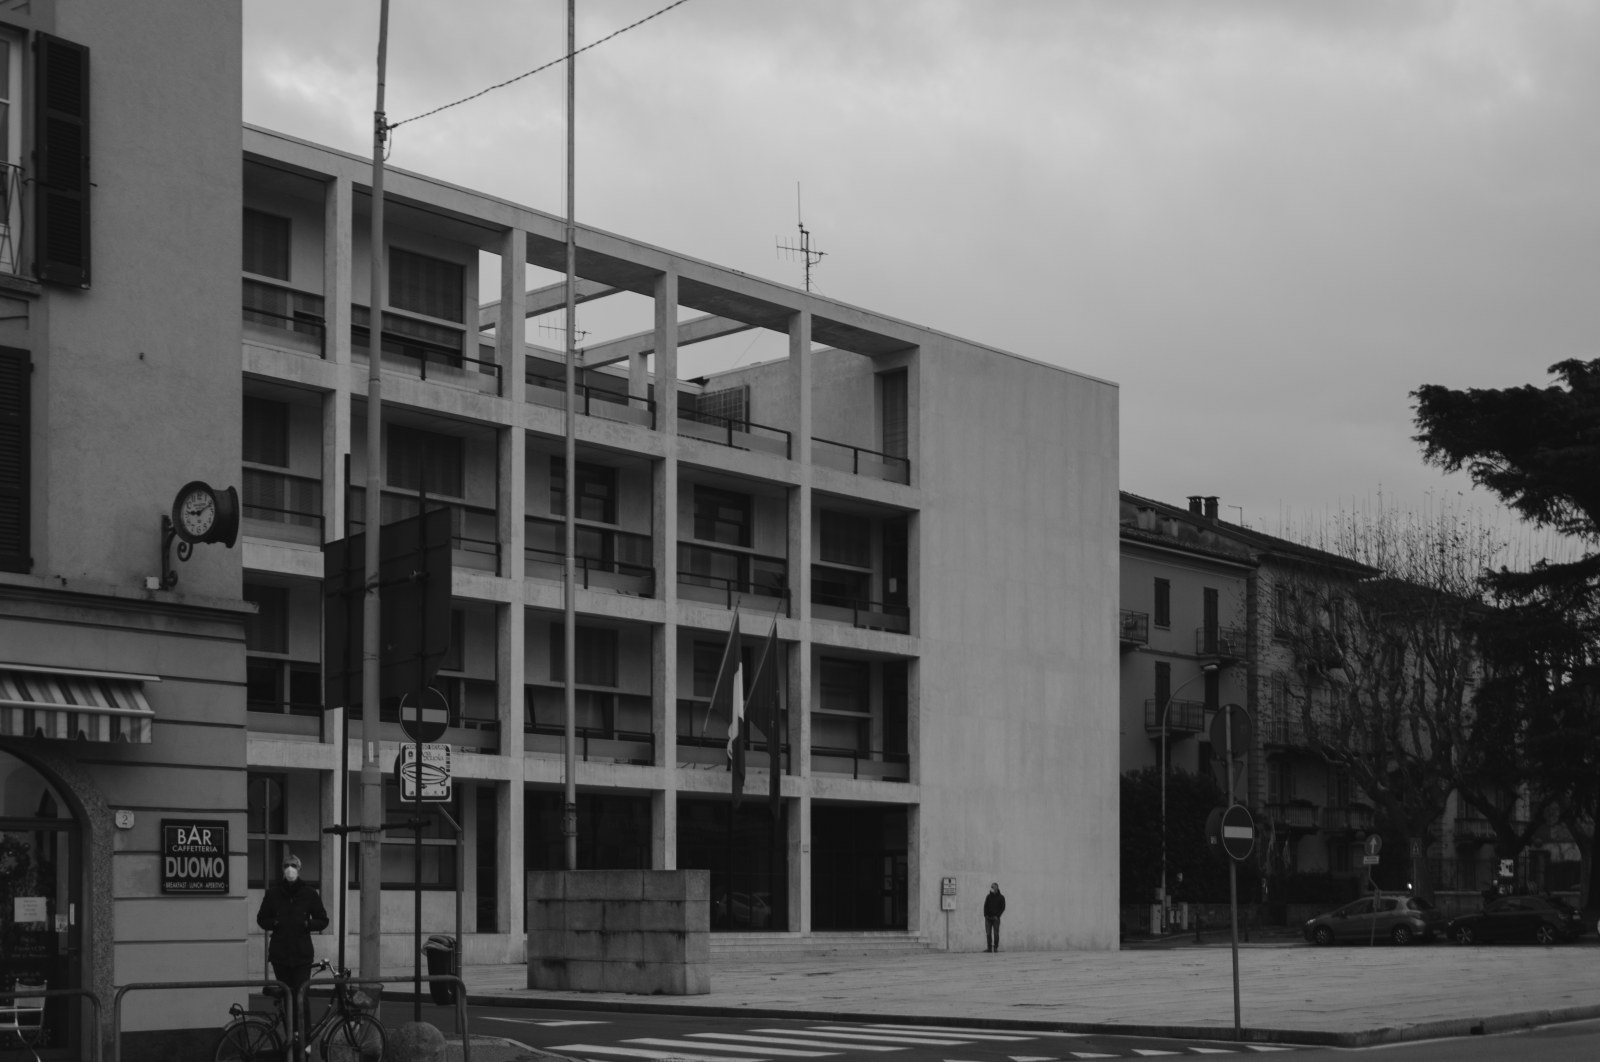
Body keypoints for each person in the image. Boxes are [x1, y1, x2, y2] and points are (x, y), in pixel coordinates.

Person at [256, 852, 328, 1043]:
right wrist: (276, 922)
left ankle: (304, 1039)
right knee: (288, 998)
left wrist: (308, 924)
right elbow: (261, 919)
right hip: (280, 955)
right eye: (287, 865)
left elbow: (323, 920)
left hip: (302, 955)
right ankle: (291, 1038)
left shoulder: (310, 894)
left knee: (301, 998)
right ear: (282, 869)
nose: (290, 869)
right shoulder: (273, 894)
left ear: (299, 869)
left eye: (293, 865)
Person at [983, 881, 1006, 952]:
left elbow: (1003, 908)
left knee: (996, 933)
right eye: (991, 887)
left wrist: (997, 916)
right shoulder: (988, 896)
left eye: (993, 887)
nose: (991, 888)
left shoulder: (1001, 897)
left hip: (996, 918)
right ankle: (989, 948)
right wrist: (985, 915)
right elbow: (985, 906)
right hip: (988, 918)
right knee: (988, 933)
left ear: (997, 888)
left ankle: (995, 948)